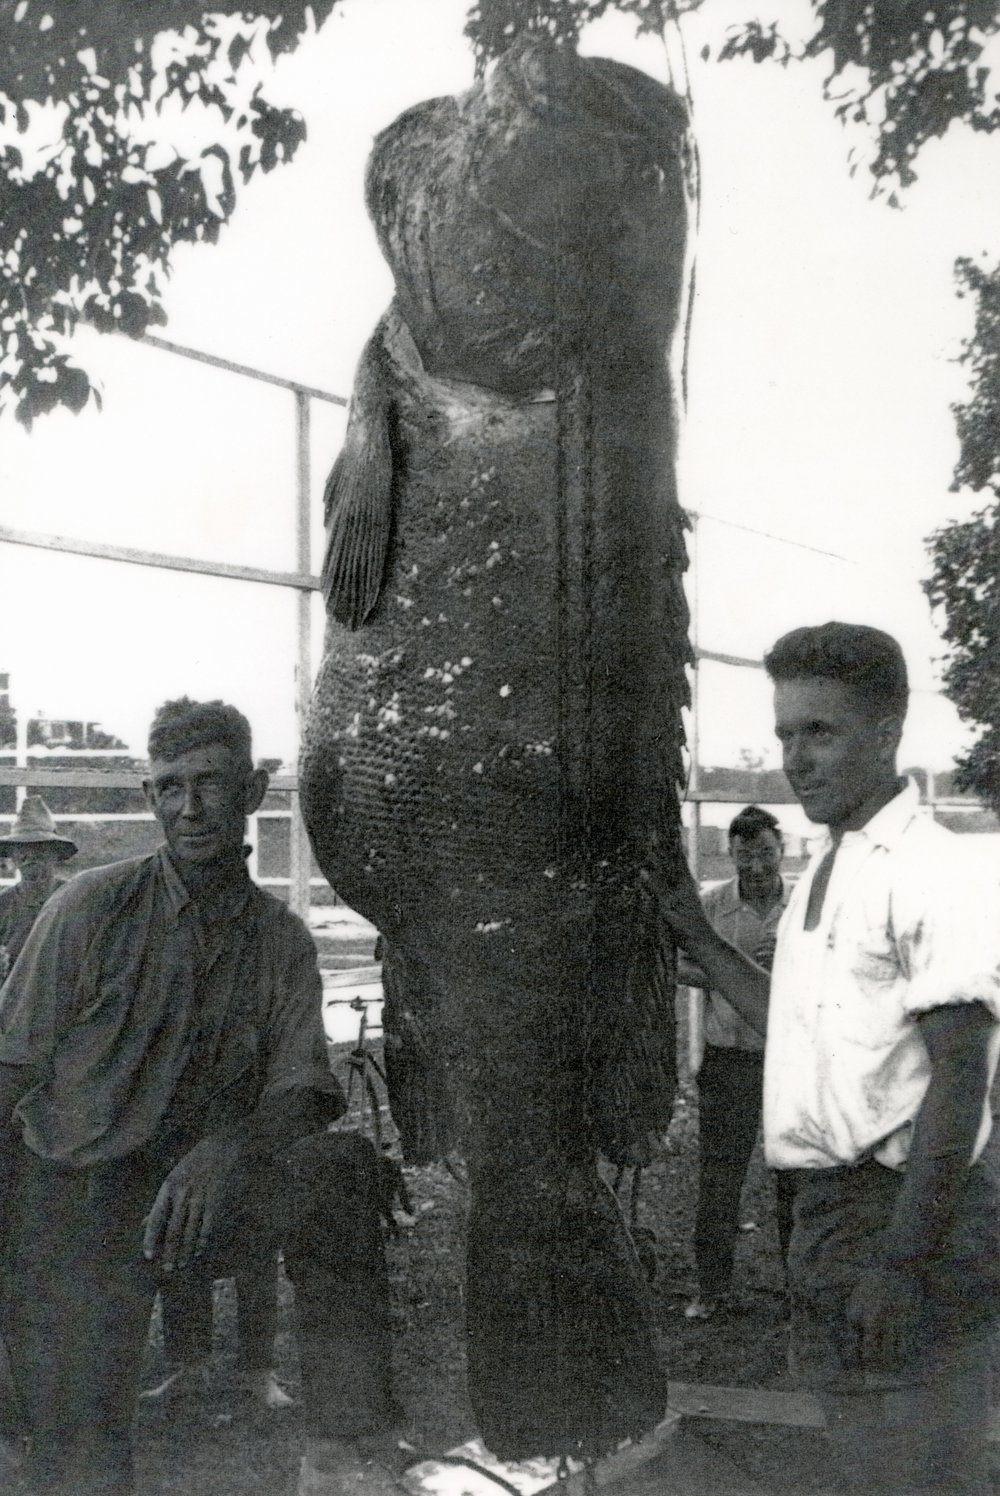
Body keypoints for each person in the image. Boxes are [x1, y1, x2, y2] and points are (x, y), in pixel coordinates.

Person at [0, 699, 408, 1496]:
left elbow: (305, 1090)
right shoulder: (88, 909)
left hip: (200, 1197)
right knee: (80, 1465)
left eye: (212, 783)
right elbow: (7, 1072)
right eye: (170, 786)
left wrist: (228, 1148)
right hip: (76, 1200)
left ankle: (346, 1458)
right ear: (149, 796)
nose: (190, 808)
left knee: (341, 1170)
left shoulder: (278, 940)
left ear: (252, 790)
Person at [645, 622, 1000, 1495]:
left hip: (904, 1214)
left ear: (886, 731)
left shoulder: (932, 868)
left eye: (820, 732)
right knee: (865, 1453)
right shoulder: (829, 867)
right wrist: (695, 931)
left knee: (917, 1461)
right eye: (785, 734)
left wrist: (902, 1263)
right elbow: (797, 1023)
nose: (795, 760)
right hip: (828, 1215)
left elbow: (962, 1078)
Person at [678, 805, 795, 1320]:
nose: (757, 865)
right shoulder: (710, 906)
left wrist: (787, 967)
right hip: (729, 1061)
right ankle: (712, 1291)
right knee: (720, 1179)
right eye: (745, 855)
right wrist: (731, 974)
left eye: (766, 852)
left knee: (795, 1176)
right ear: (731, 854)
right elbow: (676, 962)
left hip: (788, 1061)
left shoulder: (803, 905)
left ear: (782, 849)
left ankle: (800, 1294)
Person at [0, 796, 77, 977]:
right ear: (13, 857)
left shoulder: (75, 898)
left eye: (40, 849)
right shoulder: (3, 904)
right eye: (22, 849)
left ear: (55, 854)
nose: (31, 856)